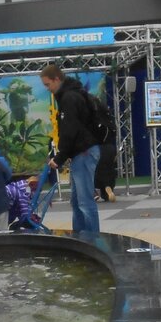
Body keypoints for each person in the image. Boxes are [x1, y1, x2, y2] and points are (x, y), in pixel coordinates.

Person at [40, 64, 101, 233]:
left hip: (84, 152)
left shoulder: (69, 98)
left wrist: (59, 158)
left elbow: (70, 130)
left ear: (57, 79)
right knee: (76, 202)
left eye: (48, 84)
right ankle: (81, 236)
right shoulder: (71, 94)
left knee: (85, 202)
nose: (47, 89)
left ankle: (93, 240)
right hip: (81, 152)